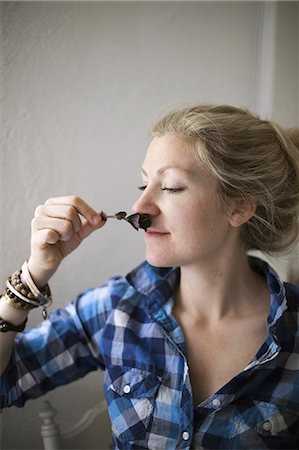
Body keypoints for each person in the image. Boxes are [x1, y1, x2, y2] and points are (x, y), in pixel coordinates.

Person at [1, 104, 299, 450]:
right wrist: (33, 274)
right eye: (144, 182)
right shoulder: (118, 308)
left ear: (240, 207)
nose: (140, 206)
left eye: (171, 187)